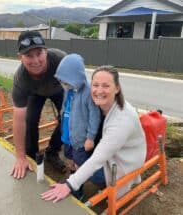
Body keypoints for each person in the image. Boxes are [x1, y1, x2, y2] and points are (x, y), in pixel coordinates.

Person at [41, 65, 146, 202]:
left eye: (106, 86)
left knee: (79, 160)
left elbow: (98, 159)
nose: (99, 91)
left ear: (117, 88)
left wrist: (69, 184)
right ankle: (79, 176)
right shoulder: (104, 104)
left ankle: (87, 184)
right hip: (116, 152)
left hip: (123, 163)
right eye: (95, 85)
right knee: (79, 152)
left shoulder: (121, 121)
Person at [10, 30, 67, 179]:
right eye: (29, 55)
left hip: (59, 90)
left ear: (46, 52)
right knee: (29, 121)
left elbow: (78, 91)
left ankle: (52, 152)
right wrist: (20, 157)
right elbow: (18, 119)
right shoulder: (20, 79)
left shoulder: (62, 61)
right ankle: (31, 156)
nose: (35, 61)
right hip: (35, 93)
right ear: (21, 58)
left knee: (68, 119)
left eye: (39, 53)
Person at [54, 54, 101, 199]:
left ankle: (78, 190)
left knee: (80, 164)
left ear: (76, 77)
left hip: (80, 139)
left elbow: (94, 116)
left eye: (66, 81)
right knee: (70, 160)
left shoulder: (87, 92)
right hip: (68, 135)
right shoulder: (68, 90)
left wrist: (90, 137)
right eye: (62, 81)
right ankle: (72, 180)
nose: (64, 84)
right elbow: (64, 108)